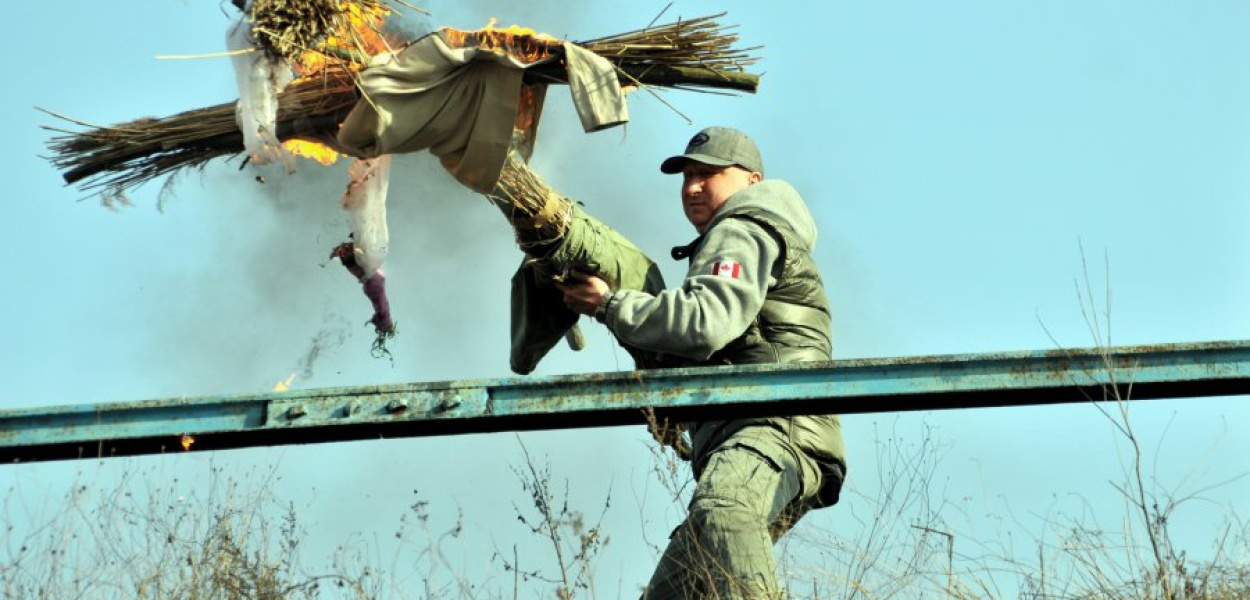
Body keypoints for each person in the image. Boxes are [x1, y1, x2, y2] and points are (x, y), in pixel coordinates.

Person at [556, 126, 847, 600]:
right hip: (754, 434)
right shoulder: (748, 234)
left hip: (772, 428)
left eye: (709, 174)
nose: (692, 186)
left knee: (724, 508)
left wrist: (611, 306)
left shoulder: (743, 228)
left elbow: (706, 322)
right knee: (680, 589)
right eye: (687, 175)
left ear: (752, 180)